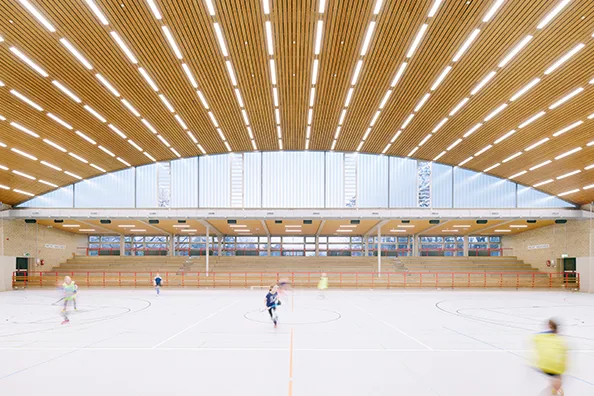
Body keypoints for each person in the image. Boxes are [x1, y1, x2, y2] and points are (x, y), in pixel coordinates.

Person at [533, 319, 567, 395]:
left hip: (544, 365)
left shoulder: (541, 336)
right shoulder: (558, 340)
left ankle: (554, 390)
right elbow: (563, 352)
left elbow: (536, 339)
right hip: (553, 365)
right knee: (557, 379)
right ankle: (554, 390)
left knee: (555, 380)